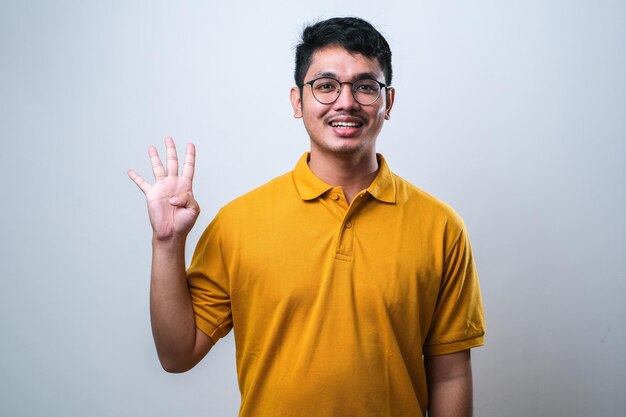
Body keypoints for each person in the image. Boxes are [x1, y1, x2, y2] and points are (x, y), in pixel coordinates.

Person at [128, 17, 485, 417]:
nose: (346, 102)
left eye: (366, 87)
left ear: (388, 102)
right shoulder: (239, 222)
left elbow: (451, 375)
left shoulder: (441, 227)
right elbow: (177, 355)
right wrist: (167, 243)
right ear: (298, 101)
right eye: (326, 86)